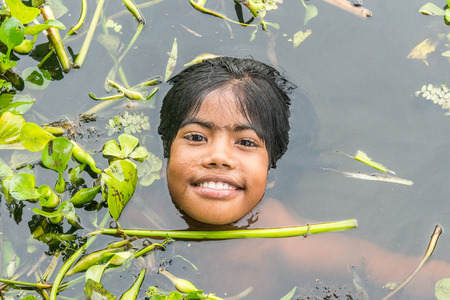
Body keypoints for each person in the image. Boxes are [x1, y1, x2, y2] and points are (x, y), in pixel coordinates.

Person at [151, 57, 449, 298]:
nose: (218, 156)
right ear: (165, 155)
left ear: (273, 175)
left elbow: (403, 273)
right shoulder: (135, 215)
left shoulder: (287, 240)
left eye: (246, 142)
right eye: (196, 136)